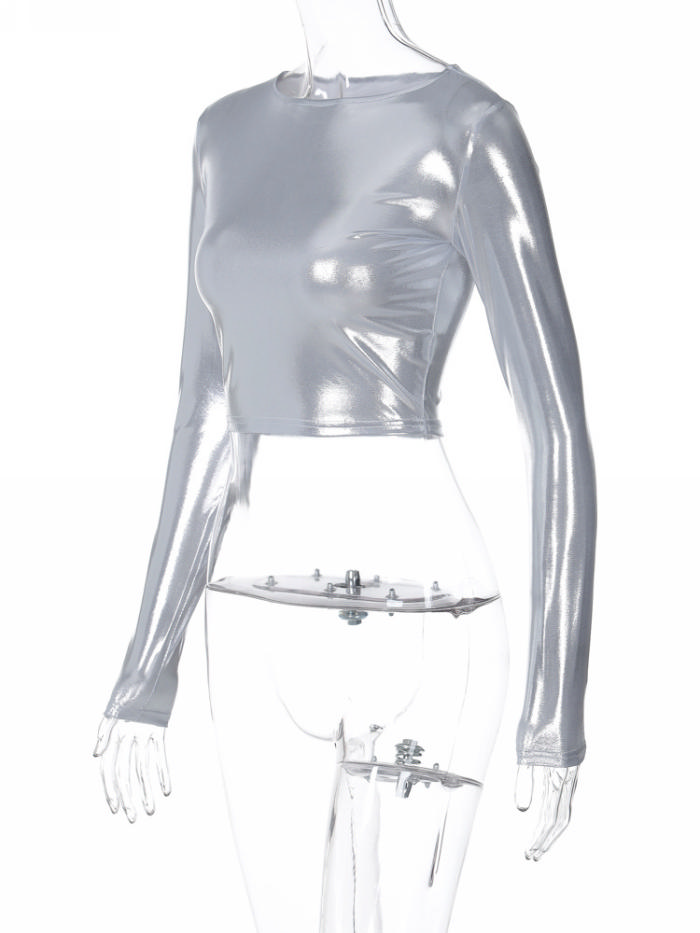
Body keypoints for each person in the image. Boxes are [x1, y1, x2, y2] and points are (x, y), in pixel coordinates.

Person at [93, 0, 596, 927]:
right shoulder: (224, 134)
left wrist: (553, 714)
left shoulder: (467, 128)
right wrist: (145, 671)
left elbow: (556, 424)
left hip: (429, 612)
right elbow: (207, 408)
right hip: (252, 610)